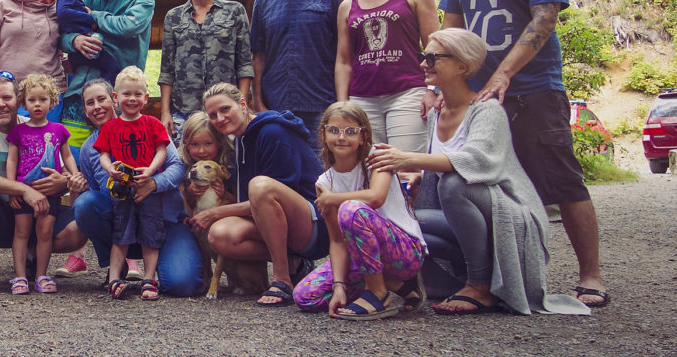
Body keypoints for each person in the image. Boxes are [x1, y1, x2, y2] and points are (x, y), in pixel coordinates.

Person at [439, 0, 608, 308]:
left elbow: (544, 21)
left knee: (561, 179)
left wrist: (502, 74)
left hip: (534, 91)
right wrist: (439, 86)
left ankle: (591, 275)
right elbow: (450, 36)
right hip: (479, 99)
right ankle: (497, 278)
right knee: (482, 182)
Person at [366, 29, 590, 316]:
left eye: (433, 58)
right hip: (463, 216)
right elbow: (439, 166)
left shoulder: (487, 110)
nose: (423, 64)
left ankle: (480, 284)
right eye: (424, 57)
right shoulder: (437, 112)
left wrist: (405, 158)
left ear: (462, 66)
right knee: (401, 221)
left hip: (508, 214)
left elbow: (477, 162)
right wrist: (417, 175)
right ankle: (404, 279)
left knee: (454, 185)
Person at [0, 71, 87, 295]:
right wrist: (24, 190)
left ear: (18, 99)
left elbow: (65, 162)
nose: (1, 105)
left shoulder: (35, 125)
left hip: (38, 210)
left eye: (6, 98)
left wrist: (64, 182)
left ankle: (32, 256)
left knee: (82, 224)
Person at [292, 102, 426, 319]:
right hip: (363, 257)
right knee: (305, 296)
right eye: (334, 130)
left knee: (352, 210)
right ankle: (396, 285)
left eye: (350, 131)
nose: (341, 137)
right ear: (323, 134)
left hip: (404, 252)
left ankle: (378, 293)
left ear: (363, 136)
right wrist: (339, 286)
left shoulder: (377, 158)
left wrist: (333, 199)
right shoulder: (324, 182)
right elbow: (336, 241)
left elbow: (375, 197)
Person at [196, 83, 326, 306]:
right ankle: (295, 263)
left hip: (315, 223)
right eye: (213, 115)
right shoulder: (240, 139)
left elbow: (268, 197)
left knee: (260, 186)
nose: (220, 118)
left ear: (243, 104)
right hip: (280, 224)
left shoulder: (273, 131)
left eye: (225, 109)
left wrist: (216, 212)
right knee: (219, 235)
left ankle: (282, 279)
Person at [74, 79, 201, 296]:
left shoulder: (150, 126)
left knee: (181, 285)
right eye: (90, 103)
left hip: (164, 218)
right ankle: (118, 268)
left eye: (101, 99)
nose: (97, 107)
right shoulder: (89, 150)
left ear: (113, 99)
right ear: (85, 110)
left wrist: (154, 183)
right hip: (124, 219)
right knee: (86, 203)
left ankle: (154, 272)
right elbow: (96, 191)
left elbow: (177, 167)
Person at [334, 0, 439, 153]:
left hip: (408, 93)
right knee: (372, 169)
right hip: (362, 99)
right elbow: (343, 61)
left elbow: (435, 45)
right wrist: (343, 105)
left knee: (407, 169)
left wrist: (434, 89)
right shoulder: (347, 6)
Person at [250, 0, 348, 153]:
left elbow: (348, 52)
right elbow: (258, 56)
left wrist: (343, 103)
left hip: (323, 105)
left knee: (322, 174)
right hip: (276, 108)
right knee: (282, 173)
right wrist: (259, 104)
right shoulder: (263, 2)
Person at [58, 0, 155, 149]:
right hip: (79, 95)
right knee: (72, 160)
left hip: (117, 98)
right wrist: (74, 41)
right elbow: (62, 35)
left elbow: (127, 26)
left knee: (114, 162)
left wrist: (95, 16)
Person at [93, 67, 171, 300]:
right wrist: (110, 170)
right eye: (126, 94)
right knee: (121, 234)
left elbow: (162, 150)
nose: (132, 99)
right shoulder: (110, 128)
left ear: (146, 99)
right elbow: (103, 155)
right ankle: (115, 278)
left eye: (138, 94)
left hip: (148, 190)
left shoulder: (152, 123)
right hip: (122, 190)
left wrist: (151, 170)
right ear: (115, 98)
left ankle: (149, 278)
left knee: (150, 233)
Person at [159, 0, 253, 141]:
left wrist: (241, 107)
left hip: (226, 113)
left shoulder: (234, 11)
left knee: (228, 167)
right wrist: (165, 112)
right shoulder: (174, 17)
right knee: (186, 166)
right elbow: (166, 70)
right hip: (185, 112)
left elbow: (244, 65)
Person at [5, 74, 80, 295]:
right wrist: (12, 188)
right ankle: (19, 277)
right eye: (32, 100)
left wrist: (74, 176)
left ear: (52, 101)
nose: (37, 105)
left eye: (43, 99)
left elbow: (67, 157)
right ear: (23, 103)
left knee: (45, 231)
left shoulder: (59, 130)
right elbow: (12, 159)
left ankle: (41, 275)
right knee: (22, 232)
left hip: (51, 193)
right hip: (24, 192)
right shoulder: (18, 131)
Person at [53, 0, 122, 82]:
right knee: (114, 69)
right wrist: (90, 19)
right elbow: (64, 13)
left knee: (106, 70)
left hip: (80, 51)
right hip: (82, 49)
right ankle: (104, 90)